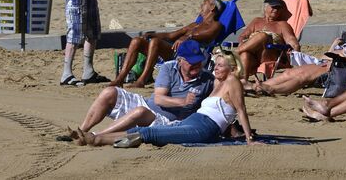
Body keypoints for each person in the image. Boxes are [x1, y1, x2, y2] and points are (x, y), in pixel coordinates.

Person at [73, 49, 259, 147]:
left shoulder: (232, 80)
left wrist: (249, 138)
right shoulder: (218, 82)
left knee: (150, 134)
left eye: (220, 66)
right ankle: (86, 133)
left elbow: (241, 110)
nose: (215, 68)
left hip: (204, 127)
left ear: (232, 69)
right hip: (193, 121)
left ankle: (95, 139)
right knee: (143, 127)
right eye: (215, 65)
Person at [66, 40, 214, 141]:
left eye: (198, 61)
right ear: (180, 60)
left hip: (169, 122)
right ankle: (81, 131)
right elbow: (158, 99)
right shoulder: (169, 68)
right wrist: (183, 101)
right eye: (191, 62)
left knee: (140, 111)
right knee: (110, 92)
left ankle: (95, 136)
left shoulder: (207, 79)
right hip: (149, 105)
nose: (196, 65)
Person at [109, 0, 225, 88]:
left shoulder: (216, 25)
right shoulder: (194, 25)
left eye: (205, 3)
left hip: (190, 55)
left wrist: (189, 37)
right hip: (173, 51)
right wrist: (152, 34)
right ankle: (120, 79)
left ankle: (142, 80)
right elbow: (171, 35)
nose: (201, 5)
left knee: (156, 42)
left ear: (212, 7)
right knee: (137, 41)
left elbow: (209, 35)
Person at [253, 16, 346, 96]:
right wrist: (334, 46)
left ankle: (272, 89)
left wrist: (339, 55)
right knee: (289, 73)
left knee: (301, 78)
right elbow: (327, 54)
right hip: (324, 63)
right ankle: (259, 86)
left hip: (335, 69)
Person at [236, 0, 300, 82]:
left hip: (269, 55)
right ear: (265, 7)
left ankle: (234, 54)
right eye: (273, 7)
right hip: (254, 57)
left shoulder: (282, 24)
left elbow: (291, 39)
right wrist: (243, 42)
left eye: (278, 8)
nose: (276, 10)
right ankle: (243, 82)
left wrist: (295, 48)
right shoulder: (256, 21)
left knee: (263, 36)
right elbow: (243, 36)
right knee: (245, 54)